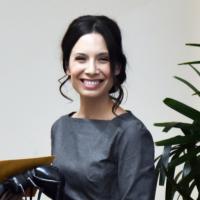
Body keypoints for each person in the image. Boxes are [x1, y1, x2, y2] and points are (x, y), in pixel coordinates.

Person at [51, 15, 156, 200]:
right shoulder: (60, 128)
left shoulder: (131, 133)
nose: (91, 69)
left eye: (102, 59)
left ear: (116, 67)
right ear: (67, 66)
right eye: (81, 59)